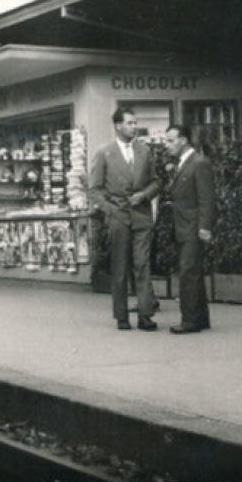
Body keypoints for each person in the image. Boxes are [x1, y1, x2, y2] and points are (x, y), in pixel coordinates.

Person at [89, 105, 160, 331]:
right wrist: (110, 210)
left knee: (143, 265)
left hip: (141, 216)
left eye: (135, 123)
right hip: (118, 216)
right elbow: (94, 189)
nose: (134, 127)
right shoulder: (104, 153)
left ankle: (145, 315)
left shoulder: (145, 151)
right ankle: (121, 316)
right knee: (119, 267)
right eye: (130, 123)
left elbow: (157, 181)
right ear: (118, 126)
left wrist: (145, 195)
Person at [163, 123, 216, 334]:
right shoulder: (184, 163)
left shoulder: (199, 163)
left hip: (192, 227)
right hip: (184, 225)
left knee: (188, 272)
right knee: (192, 271)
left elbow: (207, 199)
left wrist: (204, 227)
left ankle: (189, 321)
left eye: (171, 140)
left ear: (183, 140)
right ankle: (200, 318)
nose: (167, 145)